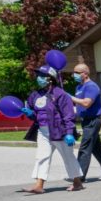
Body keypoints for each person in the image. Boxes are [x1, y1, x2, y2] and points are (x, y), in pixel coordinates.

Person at [21, 65, 82, 193]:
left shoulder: (60, 94)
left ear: (50, 79)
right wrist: (30, 114)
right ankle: (39, 185)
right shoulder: (35, 95)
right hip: (42, 132)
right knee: (42, 157)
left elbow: (68, 115)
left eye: (42, 76)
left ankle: (77, 182)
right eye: (38, 76)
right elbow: (35, 114)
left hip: (60, 131)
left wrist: (70, 133)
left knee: (68, 156)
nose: (39, 78)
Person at [70, 64, 101, 182]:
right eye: (74, 72)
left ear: (85, 73)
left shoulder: (91, 86)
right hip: (85, 121)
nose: (74, 75)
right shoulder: (79, 87)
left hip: (93, 121)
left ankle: (79, 177)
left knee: (84, 148)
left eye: (77, 72)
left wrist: (69, 97)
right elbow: (79, 106)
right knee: (97, 149)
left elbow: (86, 103)